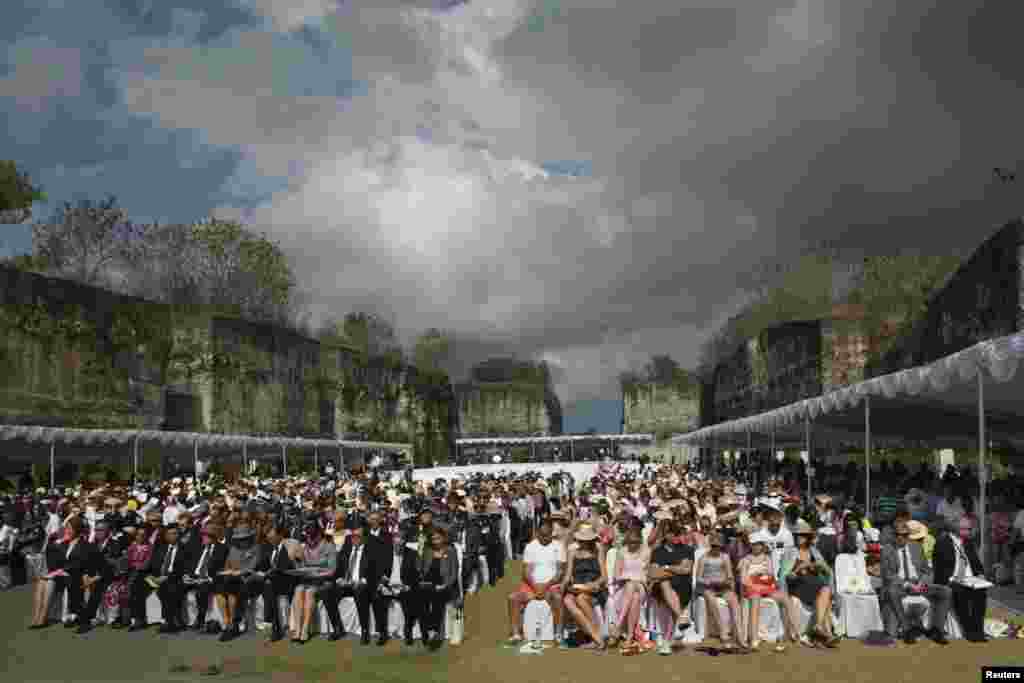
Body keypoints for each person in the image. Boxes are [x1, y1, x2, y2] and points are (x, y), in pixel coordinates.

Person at [878, 520, 951, 645]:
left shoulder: (916, 546)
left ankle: (936, 630)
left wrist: (922, 582)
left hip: (919, 584)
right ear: (894, 535)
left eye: (905, 535)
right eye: (898, 535)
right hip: (901, 586)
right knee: (891, 591)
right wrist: (907, 584)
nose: (902, 538)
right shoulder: (887, 549)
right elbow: (888, 575)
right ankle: (907, 629)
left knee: (946, 591)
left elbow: (927, 569)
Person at [780, 520, 839, 648]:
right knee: (825, 593)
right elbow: (785, 576)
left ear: (808, 538)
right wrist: (797, 570)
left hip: (815, 584)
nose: (799, 538)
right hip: (798, 585)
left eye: (802, 535)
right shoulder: (790, 552)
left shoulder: (814, 552)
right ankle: (825, 633)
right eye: (797, 535)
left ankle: (819, 629)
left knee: (825, 591)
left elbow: (828, 572)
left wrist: (820, 566)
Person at [506, 519, 565, 646]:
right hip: (532, 585)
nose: (545, 537)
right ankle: (516, 633)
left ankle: (558, 633)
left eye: (547, 534)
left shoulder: (558, 546)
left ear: (551, 533)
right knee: (513, 598)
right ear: (537, 533)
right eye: (542, 535)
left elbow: (560, 572)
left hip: (551, 585)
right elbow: (526, 572)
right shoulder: (530, 546)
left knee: (558, 598)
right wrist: (535, 586)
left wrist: (546, 586)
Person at [739, 531, 797, 652]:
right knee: (755, 600)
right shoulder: (745, 560)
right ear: (750, 545)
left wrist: (761, 577)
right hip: (752, 588)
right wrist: (756, 579)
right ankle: (754, 638)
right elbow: (743, 580)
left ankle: (793, 631)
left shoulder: (767, 558)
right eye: (754, 544)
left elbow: (770, 575)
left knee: (785, 597)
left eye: (759, 544)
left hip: (765, 587)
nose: (757, 546)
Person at [933, 518, 988, 643]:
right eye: (965, 529)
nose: (969, 531)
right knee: (960, 592)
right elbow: (939, 567)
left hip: (970, 578)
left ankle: (978, 630)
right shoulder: (943, 542)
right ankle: (969, 630)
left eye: (969, 529)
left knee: (981, 591)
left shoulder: (968, 542)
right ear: (955, 528)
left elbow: (976, 563)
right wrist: (951, 579)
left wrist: (980, 574)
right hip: (953, 579)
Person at [321, 526, 379, 644]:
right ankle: (337, 628)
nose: (354, 539)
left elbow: (375, 571)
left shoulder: (371, 550)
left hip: (361, 584)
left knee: (360, 591)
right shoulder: (347, 549)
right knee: (326, 591)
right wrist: (339, 578)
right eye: (352, 536)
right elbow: (339, 568)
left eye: (358, 536)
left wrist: (362, 580)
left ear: (364, 538)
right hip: (346, 584)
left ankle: (364, 630)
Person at [647, 516, 693, 655]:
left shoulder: (687, 549)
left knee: (666, 588)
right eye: (671, 532)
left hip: (682, 586)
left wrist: (666, 568)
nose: (674, 535)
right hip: (662, 587)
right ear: (665, 535)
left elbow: (686, 569)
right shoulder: (657, 551)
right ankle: (680, 618)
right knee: (665, 585)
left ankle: (667, 642)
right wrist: (675, 569)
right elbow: (653, 574)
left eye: (676, 532)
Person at [694, 531, 746, 651]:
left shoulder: (725, 557)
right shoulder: (703, 558)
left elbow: (730, 575)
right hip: (708, 587)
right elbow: (698, 578)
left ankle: (740, 636)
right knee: (712, 601)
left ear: (721, 546)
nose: (716, 548)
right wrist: (710, 582)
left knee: (734, 602)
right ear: (710, 546)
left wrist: (728, 583)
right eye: (713, 546)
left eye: (718, 546)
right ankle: (723, 634)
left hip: (722, 586)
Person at [561, 525, 608, 651]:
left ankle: (595, 639)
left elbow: (604, 577)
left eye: (586, 540)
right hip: (577, 586)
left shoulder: (598, 549)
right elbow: (568, 574)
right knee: (567, 600)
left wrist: (593, 584)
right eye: (581, 540)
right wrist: (563, 584)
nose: (583, 543)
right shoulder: (572, 551)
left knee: (581, 599)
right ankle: (597, 637)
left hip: (594, 587)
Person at [417, 527, 459, 651]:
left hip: (443, 585)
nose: (436, 541)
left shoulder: (450, 550)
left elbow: (454, 573)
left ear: (444, 538)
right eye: (433, 538)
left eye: (438, 538)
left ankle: (434, 632)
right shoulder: (427, 550)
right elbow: (420, 568)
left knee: (437, 601)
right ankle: (429, 630)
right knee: (421, 602)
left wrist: (446, 585)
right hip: (427, 583)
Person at [147, 524, 188, 634]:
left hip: (175, 578)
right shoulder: (161, 548)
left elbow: (184, 569)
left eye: (175, 533)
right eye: (170, 534)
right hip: (158, 577)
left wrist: (166, 577)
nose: (173, 536)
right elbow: (153, 564)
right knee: (137, 585)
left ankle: (168, 621)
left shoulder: (185, 549)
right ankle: (136, 619)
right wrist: (153, 576)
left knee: (166, 589)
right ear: (165, 536)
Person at [261, 524, 297, 643]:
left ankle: (273, 626)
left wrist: (268, 574)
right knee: (263, 583)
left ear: (279, 536)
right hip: (272, 581)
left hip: (287, 581)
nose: (269, 540)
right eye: (268, 538)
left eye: (272, 537)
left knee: (269, 585)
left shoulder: (288, 546)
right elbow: (264, 565)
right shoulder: (270, 549)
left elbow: (286, 567)